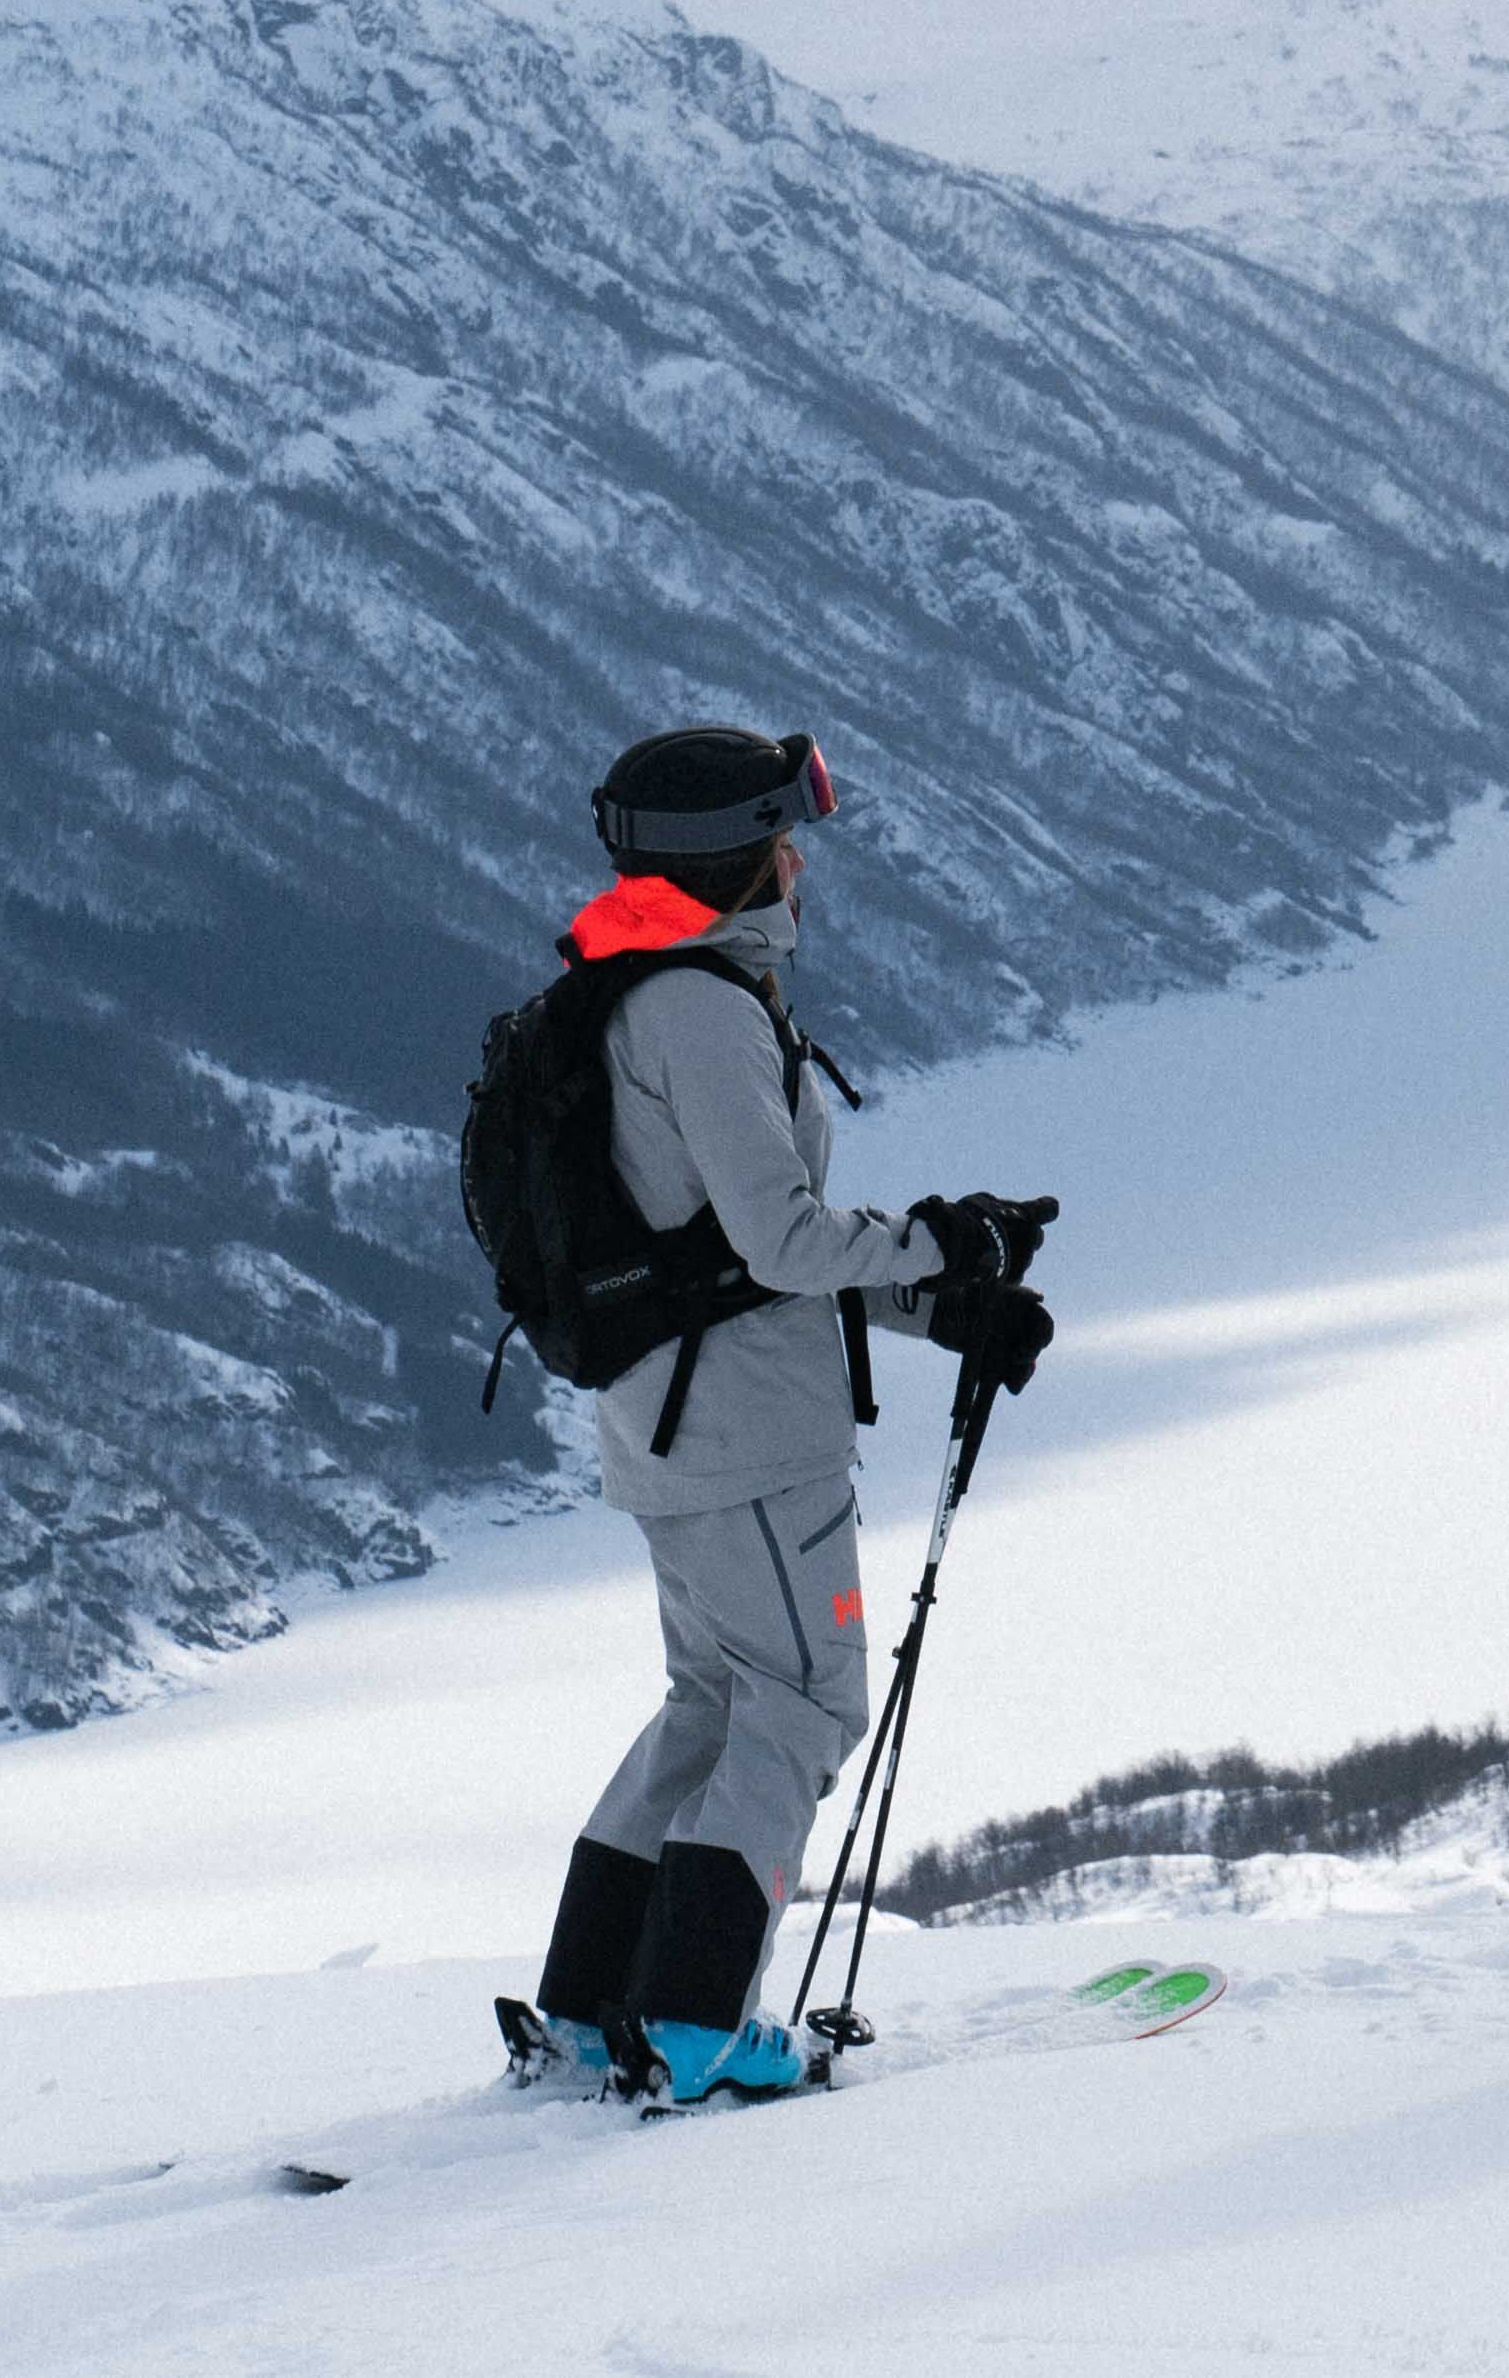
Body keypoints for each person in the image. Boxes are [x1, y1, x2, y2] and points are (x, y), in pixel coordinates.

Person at [519, 726, 1056, 2098]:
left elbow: (721, 1259)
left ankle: (592, 2004)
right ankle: (697, 2017)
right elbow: (780, 1240)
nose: (801, 858)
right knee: (809, 1704)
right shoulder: (700, 1012)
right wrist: (945, 1241)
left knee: (711, 1701)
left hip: (677, 1421)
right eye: (781, 837)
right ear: (732, 862)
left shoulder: (641, 989)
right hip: (751, 1443)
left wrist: (946, 1305)